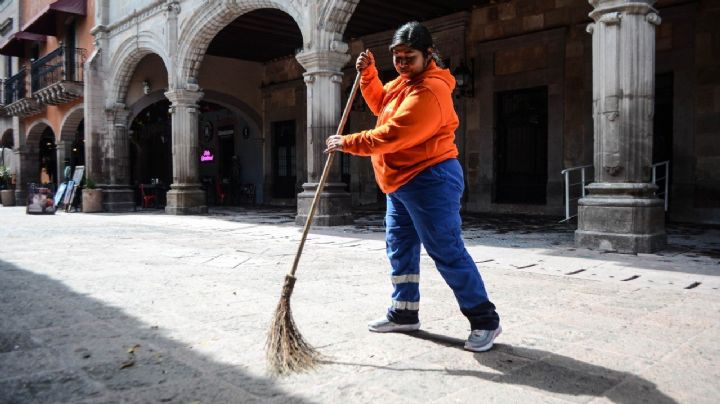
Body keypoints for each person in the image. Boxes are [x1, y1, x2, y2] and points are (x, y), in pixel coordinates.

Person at [325, 21, 501, 352]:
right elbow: (381, 106)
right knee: (400, 248)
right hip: (400, 183)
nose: (403, 64)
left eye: (410, 58)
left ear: (428, 55)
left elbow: (392, 134)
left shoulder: (428, 91)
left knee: (446, 250)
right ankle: (404, 313)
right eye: (398, 58)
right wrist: (369, 75)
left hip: (430, 180)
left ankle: (485, 320)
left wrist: (346, 142)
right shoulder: (404, 83)